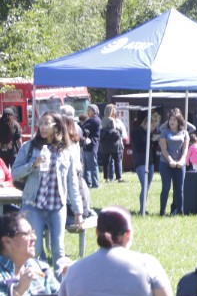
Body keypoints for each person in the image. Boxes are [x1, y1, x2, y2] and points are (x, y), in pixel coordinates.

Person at [11, 112, 84, 265]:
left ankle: (59, 287)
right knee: (34, 249)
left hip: (57, 206)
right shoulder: (29, 147)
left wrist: (78, 211)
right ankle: (33, 285)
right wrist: (32, 165)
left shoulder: (66, 150)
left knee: (59, 251)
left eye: (47, 123)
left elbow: (72, 183)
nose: (42, 127)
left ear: (56, 126)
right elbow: (15, 173)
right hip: (33, 205)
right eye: (41, 123)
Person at [0, 212, 61, 296]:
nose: (34, 238)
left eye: (33, 232)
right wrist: (20, 289)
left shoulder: (41, 267)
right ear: (7, 241)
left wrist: (71, 279)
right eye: (27, 234)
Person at [157, 113, 188, 216]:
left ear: (179, 121)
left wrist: (181, 161)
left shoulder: (184, 133)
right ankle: (162, 212)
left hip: (180, 164)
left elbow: (185, 150)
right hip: (165, 163)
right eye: (170, 119)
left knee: (179, 189)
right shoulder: (164, 132)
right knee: (166, 187)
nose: (172, 122)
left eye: (174, 120)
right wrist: (170, 160)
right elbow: (163, 149)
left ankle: (180, 211)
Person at [98, 105, 127, 183]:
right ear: (111, 111)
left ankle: (106, 177)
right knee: (117, 160)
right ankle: (119, 177)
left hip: (105, 144)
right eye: (114, 110)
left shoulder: (103, 119)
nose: (115, 111)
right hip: (114, 143)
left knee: (106, 161)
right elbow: (115, 129)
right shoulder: (112, 120)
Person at [80, 104, 101, 189]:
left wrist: (81, 125)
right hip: (86, 146)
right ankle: (87, 183)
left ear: (94, 111)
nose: (87, 112)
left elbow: (85, 129)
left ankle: (95, 183)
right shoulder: (90, 120)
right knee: (86, 167)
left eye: (89, 110)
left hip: (92, 145)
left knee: (92, 166)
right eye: (87, 110)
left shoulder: (95, 120)